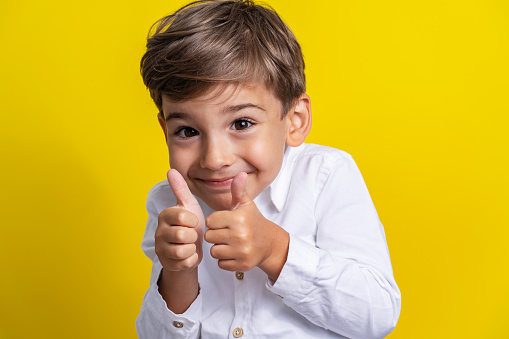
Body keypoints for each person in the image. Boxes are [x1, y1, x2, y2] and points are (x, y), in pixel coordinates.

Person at [135, 0, 401, 338]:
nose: (214, 159)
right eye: (188, 131)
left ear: (295, 121)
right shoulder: (169, 204)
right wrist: (177, 272)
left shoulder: (325, 177)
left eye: (241, 123)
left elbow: (377, 315)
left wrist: (276, 249)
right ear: (165, 130)